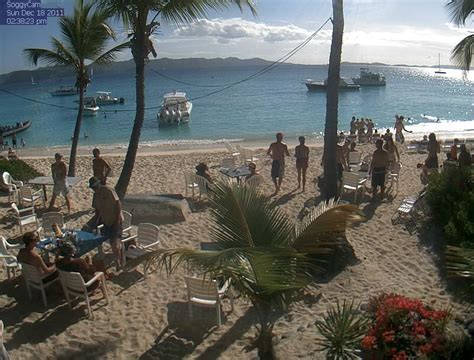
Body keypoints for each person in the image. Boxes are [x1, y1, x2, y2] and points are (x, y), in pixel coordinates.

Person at [89, 176, 123, 270]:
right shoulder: (96, 195)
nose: (94, 189)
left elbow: (118, 204)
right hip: (106, 221)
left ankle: (118, 261)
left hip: (115, 219)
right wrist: (95, 223)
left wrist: (117, 220)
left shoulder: (108, 190)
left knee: (114, 241)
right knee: (99, 239)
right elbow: (97, 210)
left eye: (95, 187)